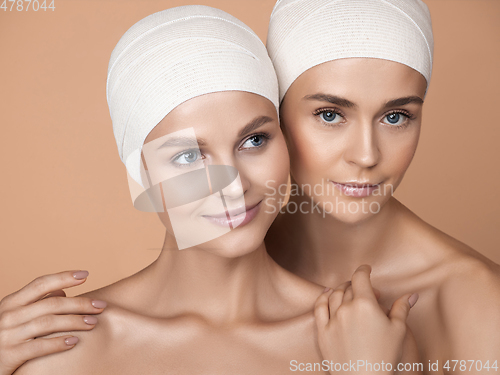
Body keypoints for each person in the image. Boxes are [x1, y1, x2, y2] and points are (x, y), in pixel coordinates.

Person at [1, 5, 419, 375]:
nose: (233, 184)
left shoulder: (368, 341)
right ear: (141, 175)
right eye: (188, 157)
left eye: (253, 141)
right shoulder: (56, 349)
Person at [264, 0, 500, 371]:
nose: (366, 155)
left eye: (395, 117)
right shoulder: (224, 267)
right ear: (275, 112)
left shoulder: (481, 306)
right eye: (330, 114)